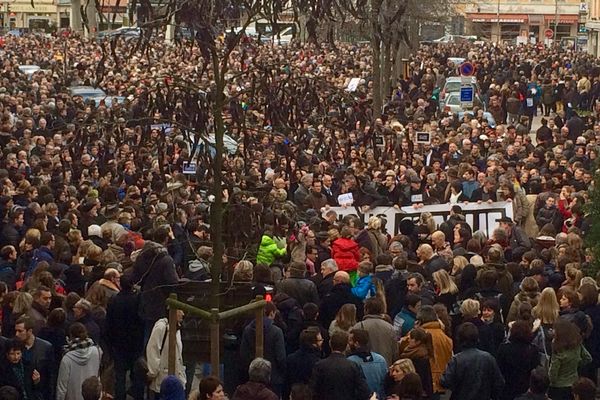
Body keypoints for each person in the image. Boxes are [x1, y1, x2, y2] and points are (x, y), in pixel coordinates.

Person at [105, 271, 145, 400]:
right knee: (137, 374)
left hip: (118, 344)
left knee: (120, 377)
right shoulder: (138, 300)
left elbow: (109, 323)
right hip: (135, 343)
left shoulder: (114, 301)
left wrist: (110, 343)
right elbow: (141, 320)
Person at [441, 322, 505, 400]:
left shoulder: (456, 360)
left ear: (459, 339)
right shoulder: (488, 358)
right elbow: (499, 382)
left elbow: (445, 382)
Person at [240, 301, 286, 397]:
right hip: (273, 378)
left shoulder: (248, 330)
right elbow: (280, 357)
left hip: (253, 378)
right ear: (272, 313)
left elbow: (244, 355)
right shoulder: (276, 332)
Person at [309, 330, 372, 400]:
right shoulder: (353, 366)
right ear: (346, 346)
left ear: (330, 344)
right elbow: (364, 391)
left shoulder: (319, 365)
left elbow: (313, 390)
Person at [496, 320, 541, 400]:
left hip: (507, 387)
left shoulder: (504, 348)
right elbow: (535, 369)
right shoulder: (533, 349)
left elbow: (499, 369)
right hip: (525, 388)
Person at [548, 319, 592, 400]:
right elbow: (588, 358)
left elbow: (553, 374)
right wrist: (577, 363)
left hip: (558, 388)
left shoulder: (558, 349)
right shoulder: (577, 344)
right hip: (573, 384)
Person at [56, 323, 102, 400]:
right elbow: (98, 376)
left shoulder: (67, 358)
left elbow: (62, 387)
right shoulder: (96, 351)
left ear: (71, 336)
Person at [146, 309, 186, 396]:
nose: (182, 314)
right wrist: (153, 372)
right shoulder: (161, 327)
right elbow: (152, 350)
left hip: (177, 381)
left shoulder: (177, 328)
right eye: (179, 311)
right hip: (162, 381)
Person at [14, 316, 54, 400]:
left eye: (20, 331)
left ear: (30, 331)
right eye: (16, 331)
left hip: (38, 393)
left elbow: (50, 375)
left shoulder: (45, 347)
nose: (16, 334)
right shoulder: (14, 346)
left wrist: (39, 382)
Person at [353, 297, 398, 366]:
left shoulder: (358, 327)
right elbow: (395, 352)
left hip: (363, 367)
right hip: (385, 366)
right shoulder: (390, 328)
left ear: (366, 309)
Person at [347, 328, 388, 400]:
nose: (348, 343)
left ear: (356, 344)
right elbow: (384, 383)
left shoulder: (350, 362)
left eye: (350, 341)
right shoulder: (380, 359)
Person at [285, 328, 323, 395]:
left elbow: (287, 383)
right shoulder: (317, 362)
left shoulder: (290, 359)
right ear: (313, 344)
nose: (322, 342)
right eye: (320, 340)